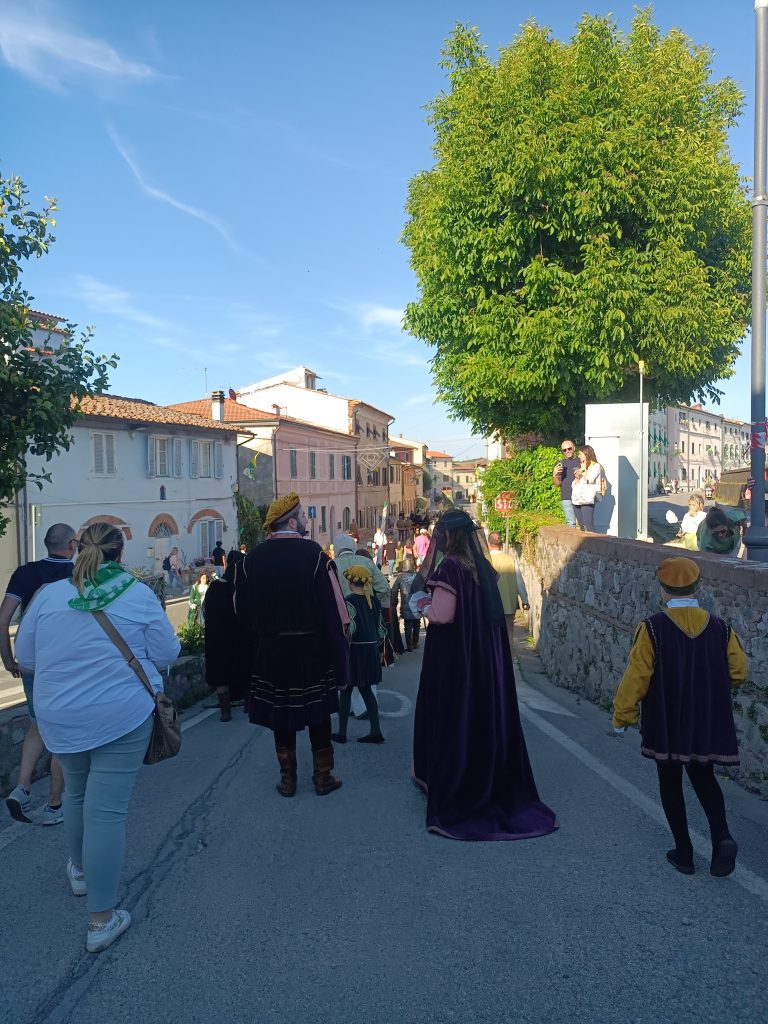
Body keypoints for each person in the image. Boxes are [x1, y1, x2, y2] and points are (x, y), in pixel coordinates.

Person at [14, 523, 180, 952]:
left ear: (78, 550)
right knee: (106, 812)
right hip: (121, 715)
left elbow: (25, 657)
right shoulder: (138, 594)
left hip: (60, 717)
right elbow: (167, 653)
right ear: (120, 555)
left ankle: (81, 873)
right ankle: (101, 920)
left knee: (75, 793)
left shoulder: (48, 595)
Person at [409, 509, 558, 841]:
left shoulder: (450, 568)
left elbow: (443, 615)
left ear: (450, 536)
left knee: (454, 718)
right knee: (481, 716)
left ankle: (458, 788)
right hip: (483, 657)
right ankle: (489, 781)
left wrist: (421, 605)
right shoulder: (477, 566)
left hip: (455, 658)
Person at [612, 557, 747, 876]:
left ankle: (684, 852)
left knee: (670, 781)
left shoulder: (652, 628)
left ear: (663, 589)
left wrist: (623, 715)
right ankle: (722, 837)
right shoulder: (720, 628)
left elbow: (637, 676)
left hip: (667, 717)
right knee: (705, 777)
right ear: (697, 586)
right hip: (704, 718)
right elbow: (739, 672)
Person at [236, 494, 348, 797]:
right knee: (318, 715)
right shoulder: (314, 555)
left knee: (280, 717)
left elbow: (241, 612)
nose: (305, 519)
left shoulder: (251, 559)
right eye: (302, 515)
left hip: (271, 651)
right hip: (312, 650)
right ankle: (323, 778)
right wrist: (341, 661)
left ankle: (288, 781)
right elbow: (335, 611)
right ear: (291, 521)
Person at [1, 523, 77, 825]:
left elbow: (3, 619)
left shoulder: (25, 573)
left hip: (31, 662)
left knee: (38, 723)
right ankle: (54, 805)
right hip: (65, 664)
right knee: (61, 731)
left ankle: (22, 788)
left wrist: (8, 659)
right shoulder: (77, 574)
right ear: (72, 545)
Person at [332, 533, 391, 710]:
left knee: (346, 662)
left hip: (342, 622)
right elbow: (384, 588)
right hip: (367, 620)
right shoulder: (366, 562)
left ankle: (350, 708)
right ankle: (365, 706)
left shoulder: (332, 565)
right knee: (366, 661)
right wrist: (374, 606)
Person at [331, 565, 386, 745]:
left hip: (355, 650)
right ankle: (376, 731)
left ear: (350, 582)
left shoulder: (349, 601)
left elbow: (349, 630)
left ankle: (342, 733)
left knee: (346, 690)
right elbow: (381, 629)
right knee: (366, 689)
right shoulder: (374, 601)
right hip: (370, 649)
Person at [204, 553, 250, 721]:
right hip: (240, 638)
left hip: (218, 638)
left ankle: (225, 711)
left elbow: (206, 613)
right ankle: (248, 704)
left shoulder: (214, 587)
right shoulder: (242, 587)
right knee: (245, 669)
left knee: (221, 675)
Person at [486, 532, 529, 636]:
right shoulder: (510, 559)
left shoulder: (485, 560)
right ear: (501, 544)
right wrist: (524, 600)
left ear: (488, 543)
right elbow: (519, 582)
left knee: (491, 635)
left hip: (490, 605)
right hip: (508, 604)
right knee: (508, 633)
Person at [571, 444, 605, 533]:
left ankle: (594, 541)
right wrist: (576, 478)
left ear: (586, 454)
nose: (578, 456)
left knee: (588, 525)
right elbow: (574, 485)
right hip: (577, 498)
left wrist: (583, 470)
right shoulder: (581, 467)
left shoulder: (596, 466)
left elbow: (589, 479)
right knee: (581, 525)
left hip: (587, 498)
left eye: (580, 454)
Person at [391, 556, 420, 651]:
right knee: (416, 623)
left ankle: (410, 646)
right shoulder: (418, 576)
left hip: (406, 604)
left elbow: (394, 591)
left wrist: (394, 603)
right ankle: (415, 643)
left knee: (408, 625)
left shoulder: (400, 578)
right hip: (417, 604)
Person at [552, 440, 580, 528]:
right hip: (567, 497)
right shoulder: (560, 464)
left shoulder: (581, 461)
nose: (567, 451)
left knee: (584, 524)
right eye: (564, 450)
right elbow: (557, 484)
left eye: (569, 448)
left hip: (580, 496)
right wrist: (554, 475)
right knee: (571, 523)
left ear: (574, 448)